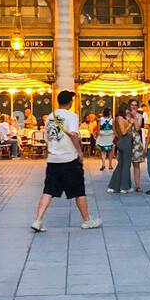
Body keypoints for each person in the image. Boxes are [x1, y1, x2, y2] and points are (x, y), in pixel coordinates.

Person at [31, 91, 101, 232]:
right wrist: (80, 152)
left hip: (53, 159)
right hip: (69, 159)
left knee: (48, 190)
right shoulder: (72, 116)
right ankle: (87, 220)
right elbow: (74, 134)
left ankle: (38, 220)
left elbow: (48, 138)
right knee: (78, 191)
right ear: (70, 102)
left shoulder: (51, 116)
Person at [107, 104, 134, 194]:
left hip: (120, 141)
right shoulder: (120, 118)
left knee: (121, 164)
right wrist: (130, 124)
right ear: (124, 110)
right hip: (126, 141)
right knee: (126, 165)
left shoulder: (115, 119)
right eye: (127, 109)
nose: (128, 111)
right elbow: (123, 131)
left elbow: (115, 132)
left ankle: (113, 186)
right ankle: (124, 187)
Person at [128, 98, 146, 192]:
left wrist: (135, 117)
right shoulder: (126, 115)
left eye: (135, 105)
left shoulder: (139, 116)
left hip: (136, 141)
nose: (134, 106)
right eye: (132, 104)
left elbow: (138, 127)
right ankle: (125, 184)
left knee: (136, 164)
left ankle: (137, 185)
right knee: (125, 164)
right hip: (127, 140)